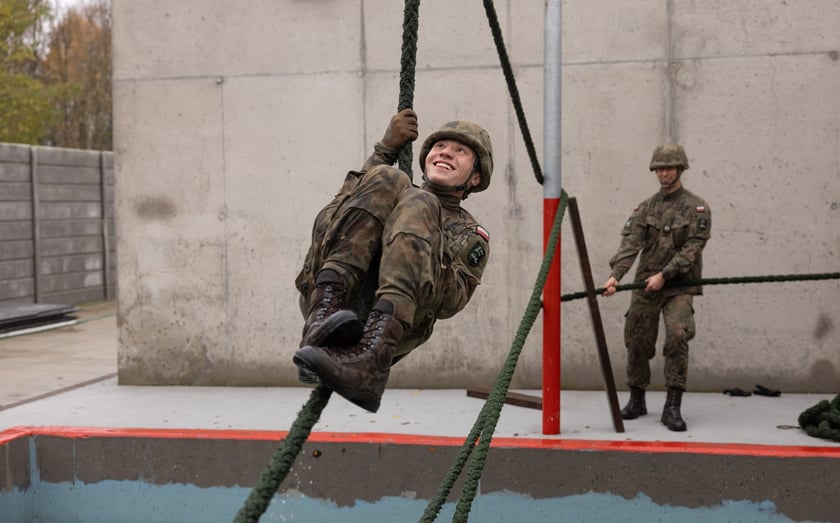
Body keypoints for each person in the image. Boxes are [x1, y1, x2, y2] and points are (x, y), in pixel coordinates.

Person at [293, 109, 493, 413]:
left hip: (391, 327)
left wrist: (424, 240)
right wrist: (384, 151)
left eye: (460, 151)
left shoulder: (469, 234)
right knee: (390, 177)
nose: (447, 153)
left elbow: (449, 303)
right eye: (440, 146)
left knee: (420, 201)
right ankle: (320, 322)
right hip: (332, 301)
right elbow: (331, 220)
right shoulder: (392, 186)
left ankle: (370, 363)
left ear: (475, 177)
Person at [601, 143, 711, 432]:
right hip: (646, 284)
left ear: (680, 169)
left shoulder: (696, 207)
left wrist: (665, 274)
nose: (664, 173)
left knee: (677, 337)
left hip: (679, 286)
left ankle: (672, 406)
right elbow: (631, 244)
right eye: (660, 168)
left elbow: (692, 249)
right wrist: (616, 276)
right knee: (637, 339)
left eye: (669, 168)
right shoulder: (646, 207)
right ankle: (637, 399)